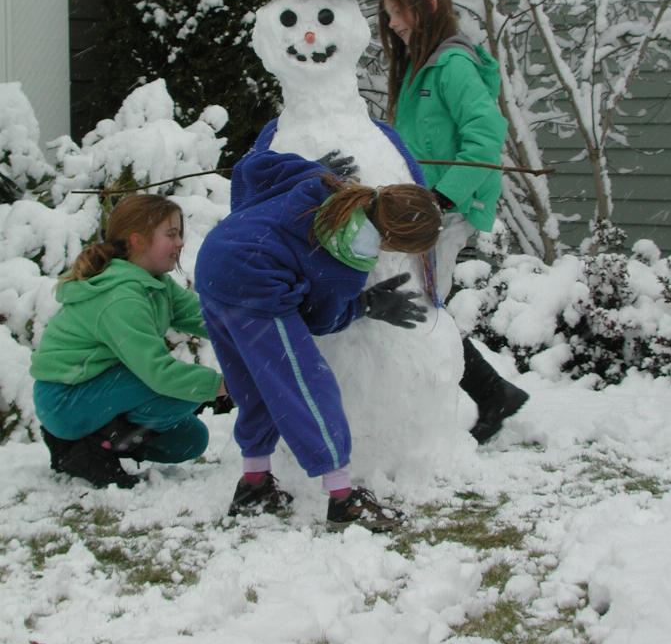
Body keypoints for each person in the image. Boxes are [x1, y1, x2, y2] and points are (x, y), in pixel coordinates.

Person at [195, 147, 441, 533]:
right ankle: (343, 500)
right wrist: (366, 305)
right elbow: (320, 321)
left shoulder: (318, 183)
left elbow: (250, 166)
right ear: (395, 242)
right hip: (254, 288)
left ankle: (254, 484)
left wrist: (303, 175)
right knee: (306, 384)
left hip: (213, 265)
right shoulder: (348, 258)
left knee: (258, 386)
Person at [379, 0, 529, 443]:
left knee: (421, 309)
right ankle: (493, 393)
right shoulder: (421, 68)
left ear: (428, 7)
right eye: (387, 16)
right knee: (420, 306)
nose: (392, 25)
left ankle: (458, 407)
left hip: (447, 210)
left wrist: (443, 198)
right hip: (423, 212)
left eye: (397, 13)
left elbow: (486, 136)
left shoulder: (452, 64)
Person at [31, 194, 226, 489]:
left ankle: (102, 444)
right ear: (137, 241)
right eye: (171, 235)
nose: (180, 243)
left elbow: (206, 318)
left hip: (102, 390)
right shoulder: (120, 297)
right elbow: (158, 373)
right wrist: (227, 385)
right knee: (180, 391)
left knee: (190, 440)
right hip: (65, 399)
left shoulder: (156, 283)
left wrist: (256, 327)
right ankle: (82, 451)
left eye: (180, 234)